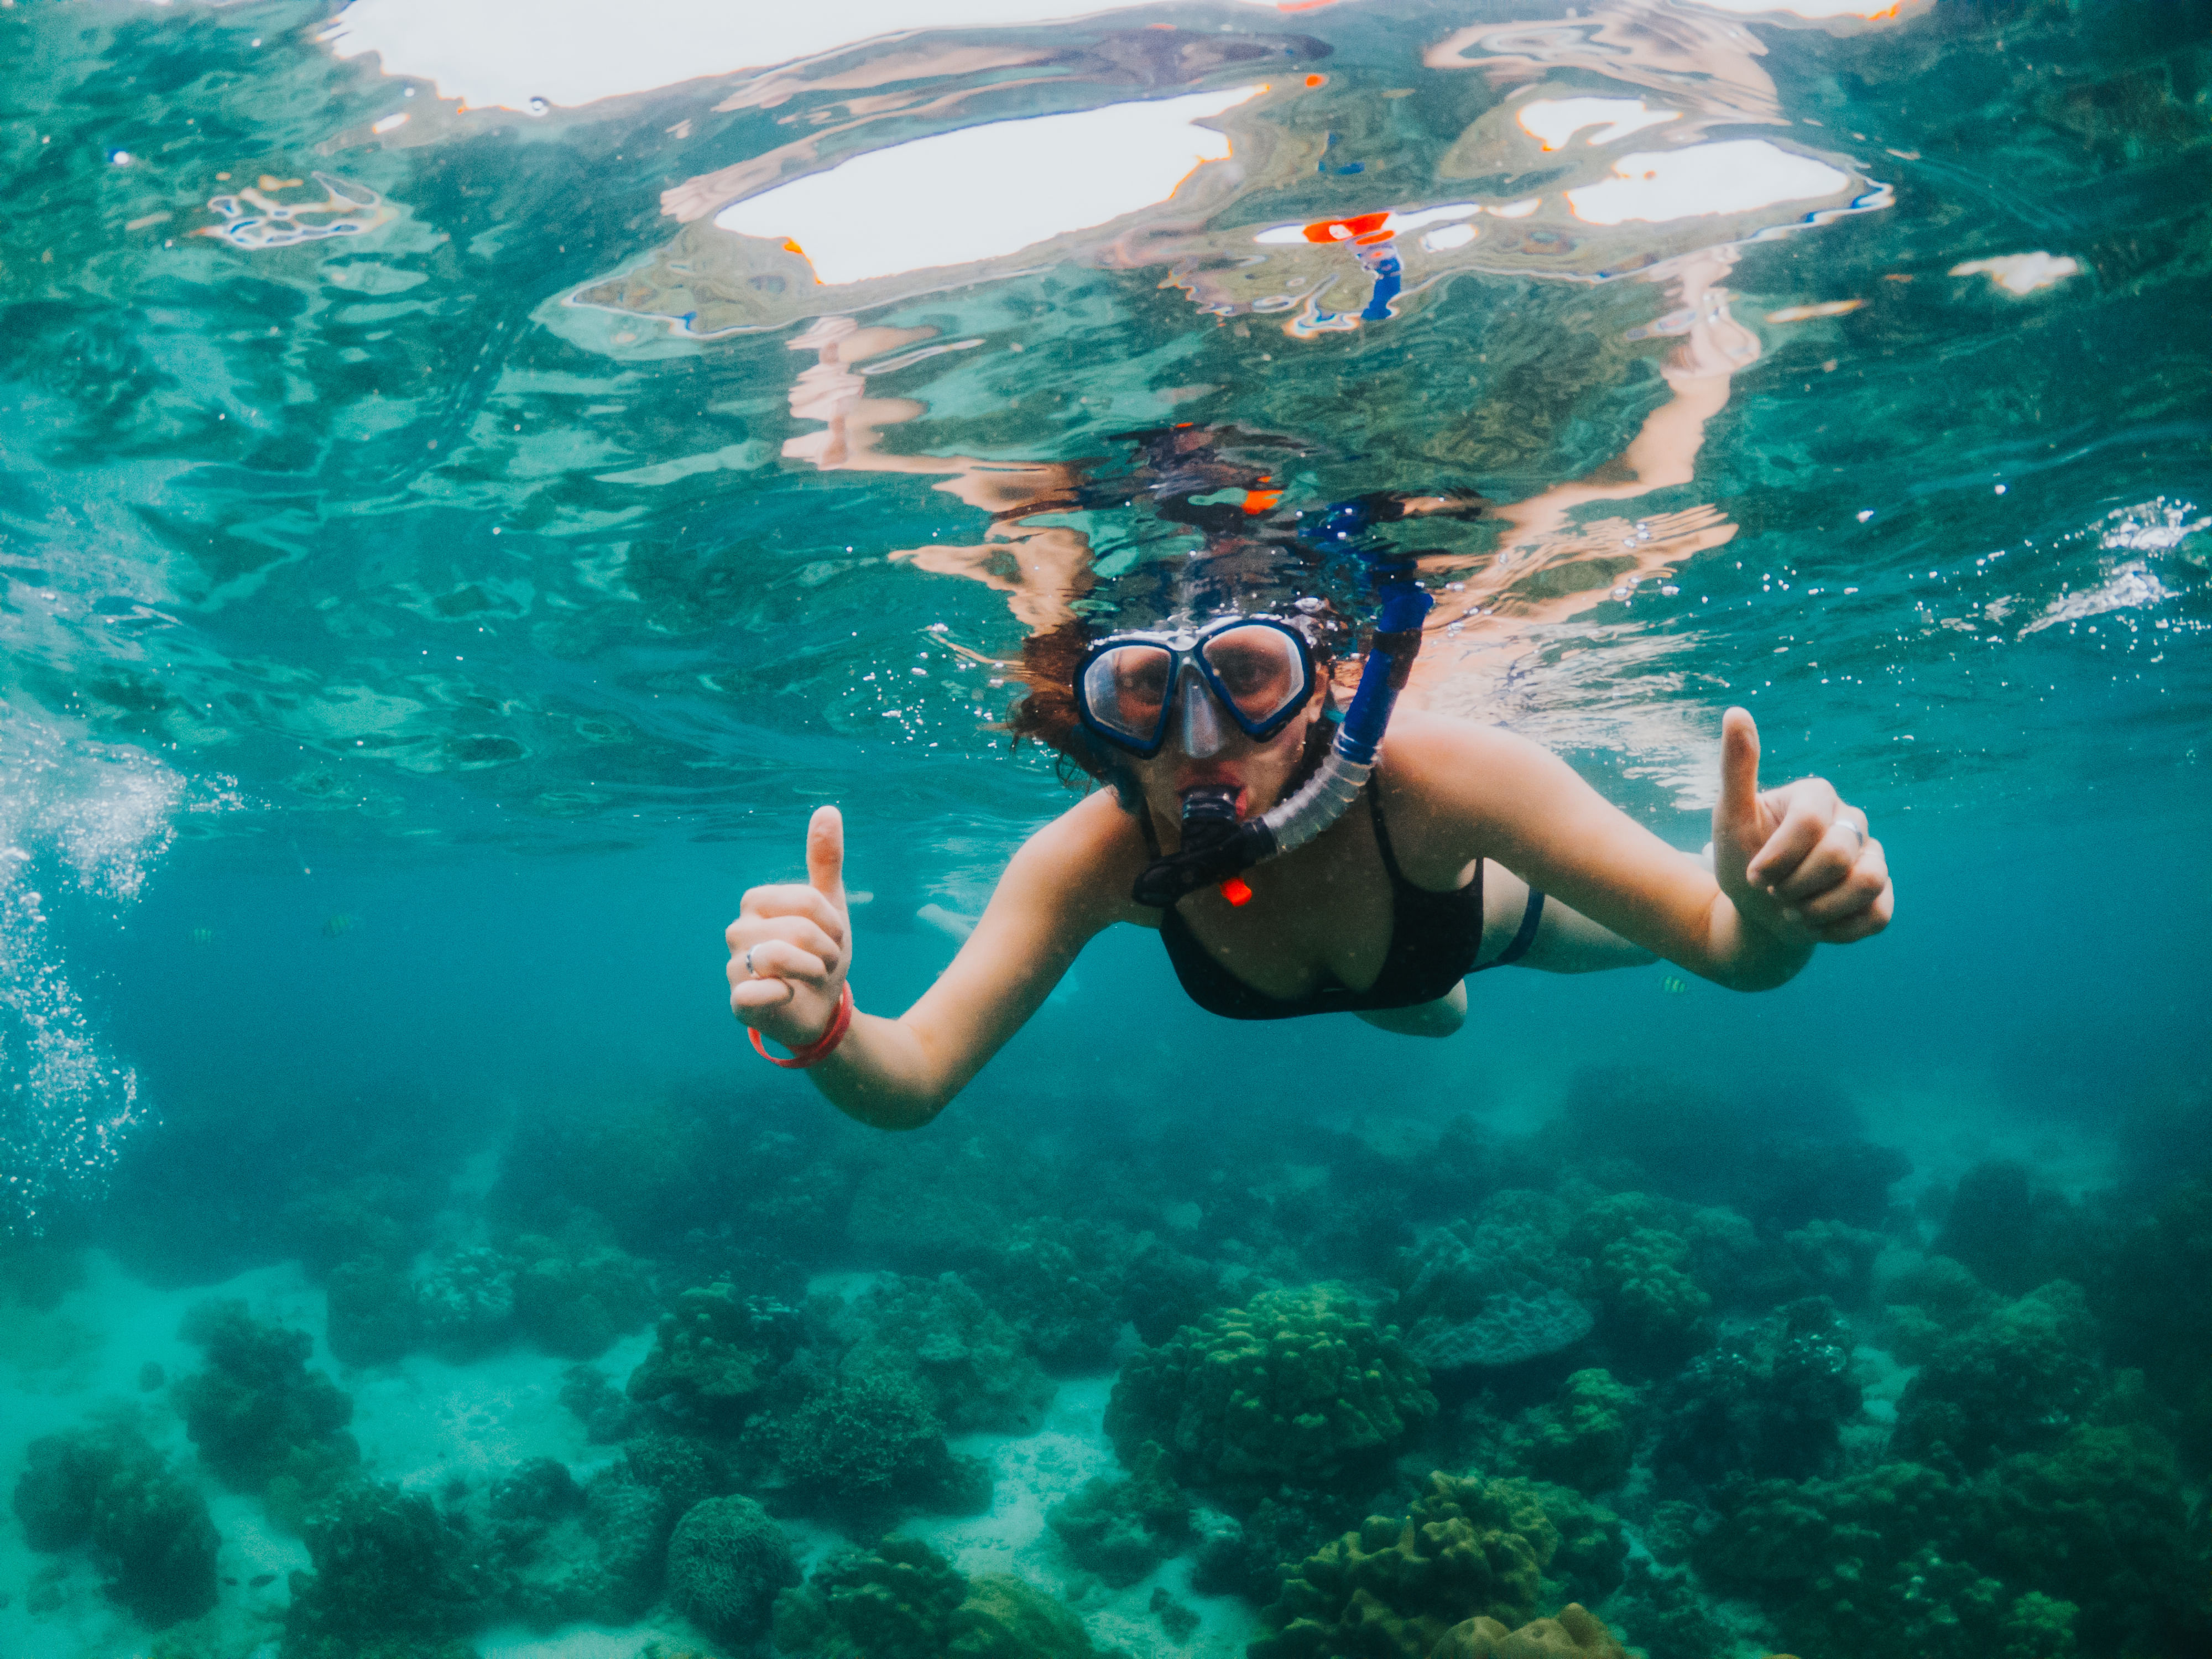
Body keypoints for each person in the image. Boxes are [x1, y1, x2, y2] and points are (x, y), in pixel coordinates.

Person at [725, 477, 1894, 1130]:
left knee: (1439, 994)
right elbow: (912, 1078)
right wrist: (822, 1025)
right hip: (1373, 971)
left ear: (1323, 693)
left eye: (1248, 675)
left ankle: (1423, 995)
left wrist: (1767, 910)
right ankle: (1410, 1000)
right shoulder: (1084, 863)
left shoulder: (1447, 779)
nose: (1200, 741)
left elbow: (1725, 952)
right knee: (1407, 1007)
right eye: (1140, 693)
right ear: (1096, 726)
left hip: (1490, 927)